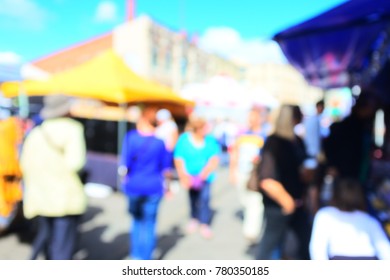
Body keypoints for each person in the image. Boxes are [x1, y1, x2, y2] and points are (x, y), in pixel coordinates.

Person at [20, 94, 87, 260]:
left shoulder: (36, 132)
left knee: (47, 241)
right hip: (65, 198)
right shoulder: (73, 129)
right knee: (62, 247)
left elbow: (24, 164)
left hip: (40, 197)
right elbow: (76, 163)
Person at [256, 104, 311, 260]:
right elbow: (267, 180)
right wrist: (286, 201)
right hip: (278, 205)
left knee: (302, 245)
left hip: (297, 202)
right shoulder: (274, 143)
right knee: (270, 247)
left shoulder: (297, 141)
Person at [120, 105, 170, 260]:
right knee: (149, 224)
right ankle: (146, 258)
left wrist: (123, 180)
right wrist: (168, 187)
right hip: (154, 187)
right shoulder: (160, 142)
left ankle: (136, 255)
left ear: (143, 120)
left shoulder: (131, 137)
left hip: (134, 186)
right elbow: (165, 169)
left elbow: (125, 164)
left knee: (136, 221)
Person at [310, 178, 390, 260]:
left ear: (335, 194)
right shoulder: (369, 219)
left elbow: (317, 249)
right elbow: (385, 250)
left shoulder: (325, 215)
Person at [174, 115, 220, 239]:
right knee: (192, 198)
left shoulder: (210, 140)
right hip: (189, 176)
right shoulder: (184, 139)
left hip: (205, 176)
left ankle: (204, 223)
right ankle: (194, 218)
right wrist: (183, 176)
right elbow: (179, 157)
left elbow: (214, 157)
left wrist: (205, 172)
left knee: (205, 199)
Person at [229, 105, 268, 244]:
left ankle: (251, 231)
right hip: (242, 172)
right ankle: (251, 224)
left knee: (255, 202)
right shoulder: (242, 135)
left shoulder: (264, 135)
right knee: (245, 200)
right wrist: (232, 171)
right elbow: (235, 153)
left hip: (256, 174)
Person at [323, 90, 377, 185]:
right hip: (346, 174)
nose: (372, 111)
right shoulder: (347, 126)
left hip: (356, 174)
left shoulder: (364, 126)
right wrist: (332, 165)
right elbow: (329, 145)